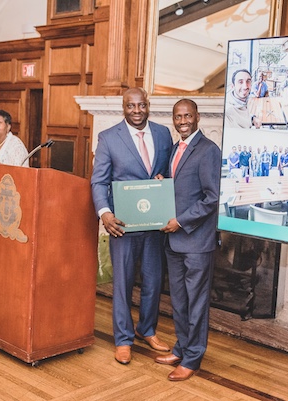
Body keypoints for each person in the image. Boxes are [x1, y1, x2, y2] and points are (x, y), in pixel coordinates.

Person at [90, 87, 173, 365]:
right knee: (124, 283)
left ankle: (146, 329)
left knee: (153, 280)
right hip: (122, 224)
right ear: (123, 107)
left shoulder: (163, 134)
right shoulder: (108, 137)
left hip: (154, 223)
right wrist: (104, 213)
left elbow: (171, 173)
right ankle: (123, 338)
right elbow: (99, 181)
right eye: (130, 106)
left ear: (148, 106)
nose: (136, 111)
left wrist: (165, 180)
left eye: (141, 106)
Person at [155, 99, 221, 382]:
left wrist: (180, 221)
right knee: (179, 301)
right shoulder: (174, 149)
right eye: (177, 116)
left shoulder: (208, 150)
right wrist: (162, 183)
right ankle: (181, 347)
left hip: (196, 241)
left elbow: (212, 197)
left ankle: (193, 358)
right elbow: (180, 188)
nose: (182, 120)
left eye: (187, 116)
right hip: (174, 241)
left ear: (197, 117)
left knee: (196, 303)